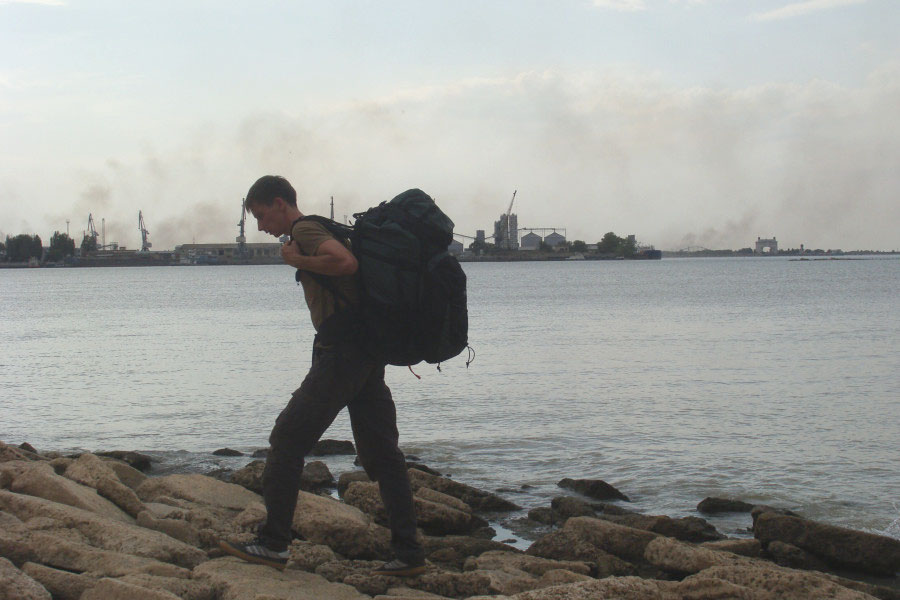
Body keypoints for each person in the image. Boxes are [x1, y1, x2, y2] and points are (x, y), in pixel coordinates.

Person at [219, 175, 426, 576]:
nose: (261, 226)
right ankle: (409, 554)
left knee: (286, 439)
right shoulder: (315, 227)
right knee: (383, 456)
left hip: (344, 354)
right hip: (366, 352)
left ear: (280, 203)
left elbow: (345, 263)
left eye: (262, 215)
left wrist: (297, 260)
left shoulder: (306, 229)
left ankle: (273, 543)